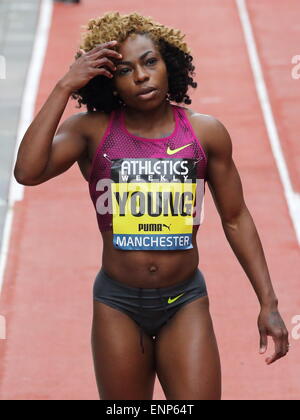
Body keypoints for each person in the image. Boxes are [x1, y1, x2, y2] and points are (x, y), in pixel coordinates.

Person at [14, 11, 289, 400]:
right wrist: (63, 87)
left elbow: (236, 217)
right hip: (117, 303)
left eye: (150, 62)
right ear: (109, 81)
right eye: (125, 70)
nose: (141, 76)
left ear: (169, 64)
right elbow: (27, 172)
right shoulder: (90, 130)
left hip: (185, 300)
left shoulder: (205, 132)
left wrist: (269, 303)